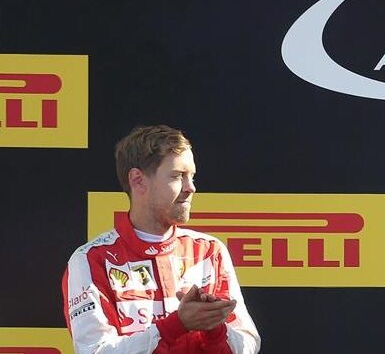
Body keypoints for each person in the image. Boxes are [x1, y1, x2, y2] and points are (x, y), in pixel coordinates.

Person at [62, 125, 261, 353]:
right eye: (177, 176)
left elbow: (248, 344)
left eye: (192, 176)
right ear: (138, 180)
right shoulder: (90, 259)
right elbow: (95, 351)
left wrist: (214, 327)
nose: (191, 188)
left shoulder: (209, 251)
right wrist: (176, 325)